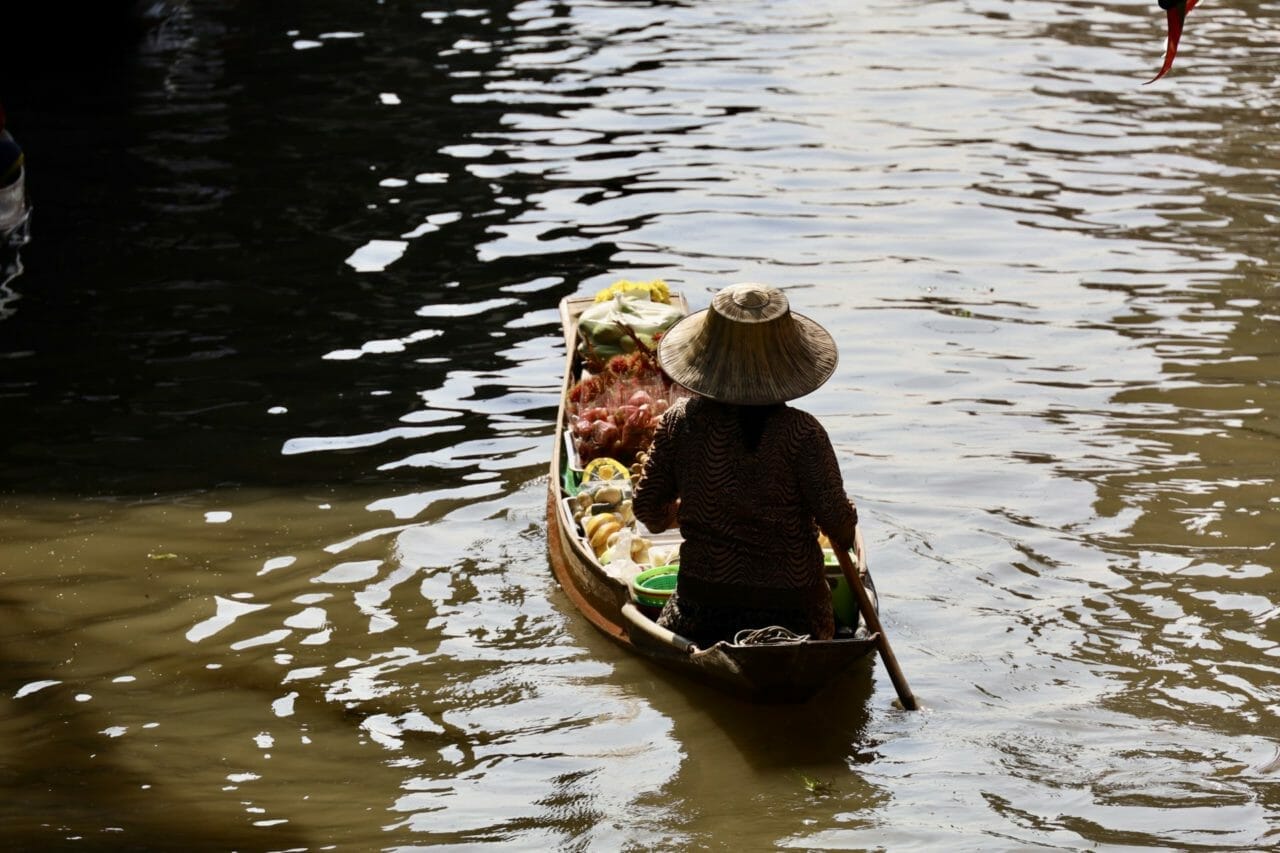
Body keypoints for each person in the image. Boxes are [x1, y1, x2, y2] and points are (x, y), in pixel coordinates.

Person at [632, 282, 858, 648]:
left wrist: (694, 510)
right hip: (796, 616)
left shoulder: (680, 422)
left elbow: (650, 514)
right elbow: (841, 530)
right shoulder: (803, 432)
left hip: (701, 613)